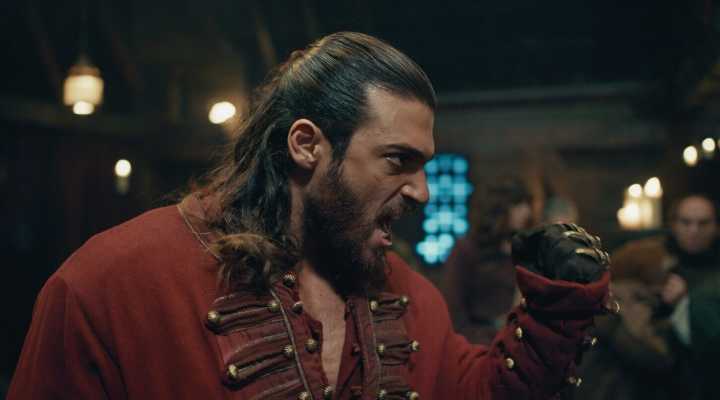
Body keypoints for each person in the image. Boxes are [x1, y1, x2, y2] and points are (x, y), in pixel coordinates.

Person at [9, 32, 611, 400]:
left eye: (424, 164)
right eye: (398, 160)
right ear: (306, 145)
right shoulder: (110, 285)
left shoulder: (408, 297)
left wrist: (554, 311)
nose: (423, 192)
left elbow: (472, 392)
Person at [575, 194, 720, 400]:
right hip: (639, 374)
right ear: (674, 224)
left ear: (715, 227)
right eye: (686, 222)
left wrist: (684, 304)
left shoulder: (712, 276)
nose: (694, 230)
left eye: (703, 223)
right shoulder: (643, 256)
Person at [441, 176, 534, 344]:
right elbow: (453, 310)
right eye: (518, 204)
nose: (526, 212)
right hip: (478, 345)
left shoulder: (523, 250)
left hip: (517, 345)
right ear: (500, 208)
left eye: (526, 204)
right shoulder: (467, 249)